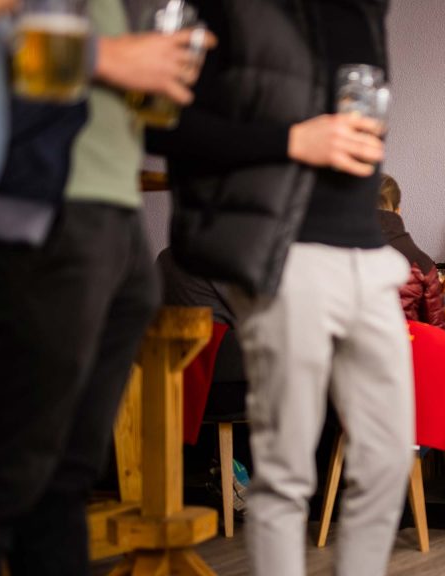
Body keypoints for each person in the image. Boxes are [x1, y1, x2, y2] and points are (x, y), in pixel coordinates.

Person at [0, 1, 213, 572]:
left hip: (115, 212)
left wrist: (152, 80)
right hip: (39, 207)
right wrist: (109, 56)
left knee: (64, 480)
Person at [149, 1, 413, 575]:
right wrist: (293, 141)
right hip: (284, 253)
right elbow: (166, 124)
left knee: (392, 455)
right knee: (288, 471)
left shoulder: (367, 12)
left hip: (367, 254)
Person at [378, 173, 445, 329]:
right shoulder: (421, 262)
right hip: (407, 348)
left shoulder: (337, 253)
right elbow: (437, 331)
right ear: (398, 210)